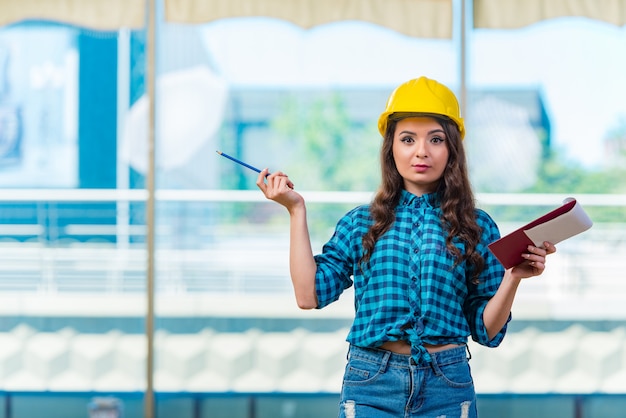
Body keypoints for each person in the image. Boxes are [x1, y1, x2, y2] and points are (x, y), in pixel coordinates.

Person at [256, 76, 556, 418]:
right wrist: (296, 210)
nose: (421, 151)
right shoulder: (361, 223)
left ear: (452, 150)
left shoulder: (477, 226)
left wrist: (513, 277)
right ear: (391, 148)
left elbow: (487, 332)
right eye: (408, 139)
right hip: (371, 384)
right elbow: (309, 295)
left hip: (447, 383)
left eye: (436, 139)